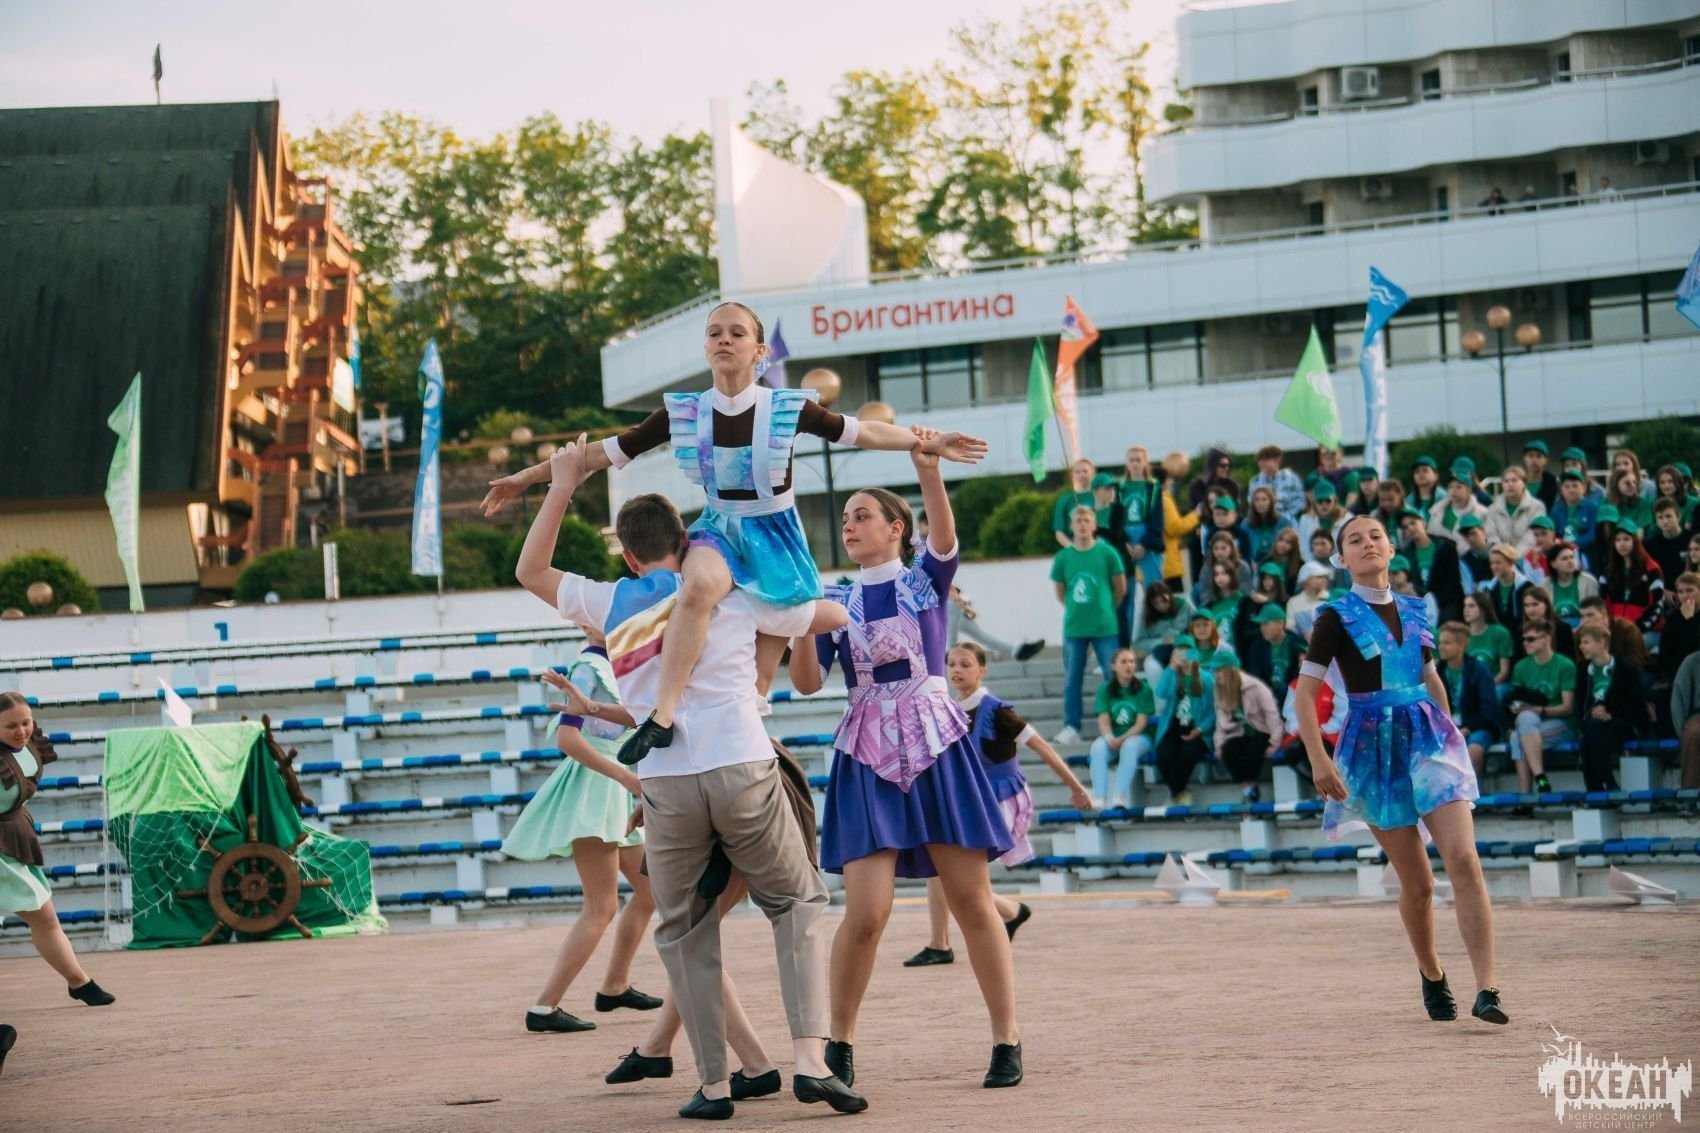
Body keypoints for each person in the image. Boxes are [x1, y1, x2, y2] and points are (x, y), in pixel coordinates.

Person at [483, 303, 984, 774]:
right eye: (715, 333)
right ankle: (661, 715)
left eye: (737, 333)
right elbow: (598, 455)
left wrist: (927, 440)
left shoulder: (787, 407)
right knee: (699, 588)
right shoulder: (684, 412)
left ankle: (750, 731)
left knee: (799, 630)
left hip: (777, 538)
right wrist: (526, 478)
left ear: (758, 351)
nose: (724, 340)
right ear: (706, 348)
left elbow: (864, 432)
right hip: (719, 529)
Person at [525, 445, 863, 1119]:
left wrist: (562, 484)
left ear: (629, 556)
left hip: (665, 779)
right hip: (742, 761)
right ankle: (809, 1059)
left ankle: (713, 1085)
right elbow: (833, 616)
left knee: (684, 931)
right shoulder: (733, 593)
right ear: (685, 542)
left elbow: (530, 569)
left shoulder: (608, 602)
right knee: (796, 903)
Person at [792, 440, 1025, 1093]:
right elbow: (807, 683)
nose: (849, 525)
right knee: (866, 914)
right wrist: (798, 621)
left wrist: (928, 468)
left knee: (972, 901)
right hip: (866, 754)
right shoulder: (829, 599)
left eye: (862, 515)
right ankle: (838, 1044)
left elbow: (944, 535)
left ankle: (1006, 1037)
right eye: (845, 517)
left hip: (937, 745)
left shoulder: (925, 580)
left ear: (897, 528)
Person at [1294, 515, 1506, 1026]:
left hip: (1429, 741)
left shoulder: (1415, 609)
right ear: (1341, 559)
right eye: (1354, 540)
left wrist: (1450, 738)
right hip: (1371, 750)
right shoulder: (1334, 617)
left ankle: (1488, 988)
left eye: (1375, 537)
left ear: (1391, 549)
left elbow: (1430, 678)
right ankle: (1432, 973)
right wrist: (1320, 759)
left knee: (1465, 860)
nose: (1367, 544)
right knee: (1419, 885)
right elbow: (1305, 694)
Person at [503, 633, 662, 1033]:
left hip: (612, 790)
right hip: (595, 790)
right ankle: (544, 1007)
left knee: (650, 892)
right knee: (601, 905)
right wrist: (625, 777)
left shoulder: (614, 664)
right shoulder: (588, 668)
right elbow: (567, 739)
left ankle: (614, 986)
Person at [904, 643, 1088, 968]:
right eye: (952, 664)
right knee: (941, 865)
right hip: (969, 799)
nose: (957, 670)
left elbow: (1042, 747)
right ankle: (966, 932)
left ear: (982, 671)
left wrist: (1076, 788)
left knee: (955, 873)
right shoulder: (947, 708)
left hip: (1000, 801)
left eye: (965, 664)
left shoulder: (998, 712)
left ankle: (956, 939)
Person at [0, 693, 116, 1009]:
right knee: (44, 918)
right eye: (11, 726)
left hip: (13, 840)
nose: (21, 731)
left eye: (25, 722)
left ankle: (79, 982)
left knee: (46, 919)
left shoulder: (29, 744)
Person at [1051, 505, 1127, 744]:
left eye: (1087, 520)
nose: (1083, 524)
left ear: (1094, 525)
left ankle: (1118, 722)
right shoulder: (1063, 557)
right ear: (1071, 526)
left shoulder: (1108, 553)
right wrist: (1077, 609)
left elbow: (1120, 587)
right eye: (1078, 521)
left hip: (1105, 627)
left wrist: (1106, 608)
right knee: (1072, 679)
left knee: (1112, 676)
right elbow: (1061, 591)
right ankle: (1072, 726)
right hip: (1074, 628)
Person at [1508, 620, 1575, 794]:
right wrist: (1518, 707)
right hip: (1532, 723)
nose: (1525, 643)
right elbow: (1516, 699)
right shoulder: (1521, 666)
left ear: (1547, 638)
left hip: (1562, 723)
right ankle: (1539, 779)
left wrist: (1541, 710)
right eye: (1524, 639)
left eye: (1531, 639)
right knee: (1524, 720)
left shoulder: (1564, 665)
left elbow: (1567, 708)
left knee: (1518, 737)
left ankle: (1526, 795)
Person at [1575, 623, 1643, 793]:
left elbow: (1637, 706)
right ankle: (1607, 783)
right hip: (1593, 726)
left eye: (1586, 642)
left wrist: (1610, 714)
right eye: (1581, 642)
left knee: (1588, 738)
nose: (1581, 646)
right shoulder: (1582, 671)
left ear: (1602, 643)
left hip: (1622, 723)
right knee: (1591, 731)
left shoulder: (1626, 669)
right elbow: (1579, 706)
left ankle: (1596, 789)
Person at [1087, 647, 1157, 808]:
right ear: (1113, 666)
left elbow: (1141, 723)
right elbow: (1103, 720)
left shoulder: (1144, 689)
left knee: (1129, 746)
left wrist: (1123, 738)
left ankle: (1120, 795)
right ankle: (1099, 796)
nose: (1129, 665)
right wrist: (1109, 738)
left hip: (1140, 737)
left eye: (1131, 662)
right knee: (1097, 747)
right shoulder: (1105, 689)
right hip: (1115, 737)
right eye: (1124, 662)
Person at [1210, 651, 1282, 802]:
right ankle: (1247, 788)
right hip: (1239, 731)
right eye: (1215, 670)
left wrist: (1275, 741)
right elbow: (1221, 721)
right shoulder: (1219, 689)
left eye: (1219, 670)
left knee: (1252, 752)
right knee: (1228, 752)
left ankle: (1251, 790)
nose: (1216, 674)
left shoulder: (1254, 686)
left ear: (1229, 670)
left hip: (1262, 729)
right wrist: (1219, 744)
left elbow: (1271, 714)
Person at [1436, 622, 1503, 778]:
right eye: (1440, 643)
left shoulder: (1479, 670)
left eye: (1447, 643)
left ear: (1461, 645)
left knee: (1474, 750)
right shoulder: (1437, 672)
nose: (1441, 647)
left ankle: (1470, 791)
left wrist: (1467, 728)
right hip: (1447, 728)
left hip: (1477, 727)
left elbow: (1489, 710)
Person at [1154, 644, 1214, 806]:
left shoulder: (1207, 679)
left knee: (1187, 753)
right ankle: (1179, 793)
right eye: (1180, 653)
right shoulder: (1173, 676)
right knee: (1163, 753)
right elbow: (1160, 692)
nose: (1184, 657)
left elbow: (1213, 712)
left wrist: (1200, 729)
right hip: (1175, 725)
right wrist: (1170, 668)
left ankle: (1176, 794)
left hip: (1198, 727)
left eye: (1188, 653)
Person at [1092, 471, 1138, 646]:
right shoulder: (1089, 514)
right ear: (1096, 491)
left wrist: (1094, 528)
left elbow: (1115, 534)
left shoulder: (1118, 510)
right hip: (1100, 572)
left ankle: (1124, 649)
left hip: (1122, 569)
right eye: (1107, 488)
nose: (1111, 492)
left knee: (1121, 612)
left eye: (1113, 488)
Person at [1398, 507, 1466, 623]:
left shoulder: (1446, 547)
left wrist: (1437, 604)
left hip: (1447, 604)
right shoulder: (1407, 553)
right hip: (1421, 604)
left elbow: (1453, 582)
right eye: (1405, 527)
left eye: (1413, 523)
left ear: (1423, 522)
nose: (1410, 528)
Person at [1602, 520, 1665, 636]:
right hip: (1615, 630)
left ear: (1635, 541)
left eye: (1626, 539)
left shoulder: (1652, 570)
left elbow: (1657, 605)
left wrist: (1637, 628)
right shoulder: (1608, 572)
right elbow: (1603, 602)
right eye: (1618, 540)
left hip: (1646, 631)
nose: (1621, 544)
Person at [1119, 445, 1168, 586]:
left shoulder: (1153, 487)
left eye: (1138, 460)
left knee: (1154, 585)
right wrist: (1124, 541)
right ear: (1127, 463)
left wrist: (1144, 543)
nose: (1135, 464)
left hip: (1147, 536)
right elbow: (1116, 517)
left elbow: (1157, 518)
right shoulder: (1120, 488)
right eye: (1131, 460)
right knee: (1126, 586)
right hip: (1126, 537)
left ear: (1145, 462)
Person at [1132, 581, 1194, 686]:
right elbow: (1138, 644)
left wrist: (1182, 640)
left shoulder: (1184, 606)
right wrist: (1161, 641)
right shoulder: (1146, 615)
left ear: (1169, 596)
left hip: (1185, 647)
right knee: (1152, 667)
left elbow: (1196, 627)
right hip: (1159, 651)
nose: (1161, 606)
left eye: (1164, 601)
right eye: (1156, 603)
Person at [1158, 451, 1203, 590]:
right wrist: (1196, 515)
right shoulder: (1164, 499)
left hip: (1162, 562)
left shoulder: (1154, 497)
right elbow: (1174, 528)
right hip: (1168, 564)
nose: (1171, 482)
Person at [1483, 466, 1547, 553]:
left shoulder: (1537, 507)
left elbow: (1532, 536)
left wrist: (1514, 555)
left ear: (1524, 483)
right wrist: (1503, 554)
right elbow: (1491, 536)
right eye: (1506, 481)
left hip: (1527, 556)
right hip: (1500, 557)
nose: (1510, 484)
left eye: (1514, 480)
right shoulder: (1492, 509)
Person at [1462, 591, 1514, 694]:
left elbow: (1504, 671)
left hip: (1495, 681)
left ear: (1483, 609)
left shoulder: (1500, 632)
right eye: (1465, 606)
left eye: (1471, 606)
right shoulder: (1462, 635)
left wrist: (1486, 686)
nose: (1466, 610)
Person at [1485, 544, 1533, 655]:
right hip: (1499, 636)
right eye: (1492, 563)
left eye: (1498, 563)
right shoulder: (1490, 588)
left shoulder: (1525, 586)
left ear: (1511, 563)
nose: (1494, 567)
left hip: (1520, 635)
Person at [1249, 444, 1306, 523]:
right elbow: (1252, 503)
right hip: (1263, 522)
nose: (1261, 463)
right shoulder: (1255, 481)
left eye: (1265, 459)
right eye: (1259, 460)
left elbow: (1300, 501)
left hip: (1288, 521)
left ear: (1277, 460)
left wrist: (1286, 517)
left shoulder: (1291, 478)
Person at [1430, 471, 1488, 548]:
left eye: (1459, 487)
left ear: (1468, 490)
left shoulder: (1482, 513)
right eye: (1450, 487)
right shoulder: (1437, 512)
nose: (1453, 490)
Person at [1549, 470, 1599, 555]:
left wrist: (1572, 544)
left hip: (1586, 552)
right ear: (1561, 490)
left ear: (1583, 488)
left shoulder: (1592, 508)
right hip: (1562, 553)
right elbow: (1552, 534)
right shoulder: (1556, 511)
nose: (1571, 490)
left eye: (1575, 486)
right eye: (1567, 486)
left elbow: (1593, 534)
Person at [1052, 458, 1099, 548]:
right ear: (1072, 475)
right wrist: (1073, 548)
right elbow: (1059, 532)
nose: (1081, 475)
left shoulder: (1098, 496)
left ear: (1093, 473)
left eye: (1085, 471)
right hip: (1074, 544)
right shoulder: (1065, 499)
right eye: (1077, 472)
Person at [1542, 542, 1599, 615]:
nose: (1570, 561)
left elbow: (1594, 612)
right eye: (1564, 559)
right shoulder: (1544, 585)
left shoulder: (1589, 582)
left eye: (1572, 557)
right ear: (1553, 564)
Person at [1521, 587, 1575, 661]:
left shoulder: (1562, 628)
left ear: (1546, 605)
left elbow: (1569, 658)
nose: (1530, 610)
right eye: (1526, 605)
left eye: (1535, 604)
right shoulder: (1520, 631)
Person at [1672, 651, 1700, 793]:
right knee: (1693, 732)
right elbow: (1678, 699)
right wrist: (1682, 732)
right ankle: (1689, 793)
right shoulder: (1692, 661)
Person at [1299, 481, 1347, 561]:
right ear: (1314, 503)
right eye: (1320, 501)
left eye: (1328, 501)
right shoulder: (1305, 520)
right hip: (1313, 564)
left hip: (1340, 563)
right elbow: (1304, 550)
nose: (1324, 505)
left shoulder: (1346, 519)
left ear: (1334, 501)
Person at [1244, 486, 1293, 563]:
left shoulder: (1283, 522)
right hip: (1253, 561)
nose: (1260, 503)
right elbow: (1242, 546)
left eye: (1264, 499)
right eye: (1257, 500)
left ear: (1271, 502)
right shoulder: (1247, 523)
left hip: (1276, 560)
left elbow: (1289, 544)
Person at [1287, 560, 1335, 641]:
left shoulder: (1332, 599)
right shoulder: (1293, 602)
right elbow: (1291, 629)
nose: (1324, 580)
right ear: (1306, 580)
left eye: (1325, 577)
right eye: (1319, 577)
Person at [1645, 499, 1688, 585]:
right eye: (1660, 517)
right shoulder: (1651, 544)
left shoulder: (1691, 539)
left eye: (1668, 516)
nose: (1665, 521)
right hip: (1663, 589)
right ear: (1656, 522)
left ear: (1678, 517)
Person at [1520, 516, 1560, 585]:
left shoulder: (1568, 549)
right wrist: (1535, 564)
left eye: (1544, 534)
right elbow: (1532, 584)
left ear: (1553, 534)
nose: (1539, 539)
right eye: (1536, 535)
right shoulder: (1530, 557)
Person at [1456, 515, 1493, 590]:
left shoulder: (1501, 551)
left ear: (1482, 530)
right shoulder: (1465, 561)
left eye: (1473, 533)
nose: (1470, 538)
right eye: (1466, 536)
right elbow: (1468, 588)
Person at [1523, 441, 1559, 510]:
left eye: (1539, 456)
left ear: (1546, 460)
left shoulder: (1553, 486)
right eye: (1530, 456)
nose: (1534, 460)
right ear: (1524, 458)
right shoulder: (1516, 483)